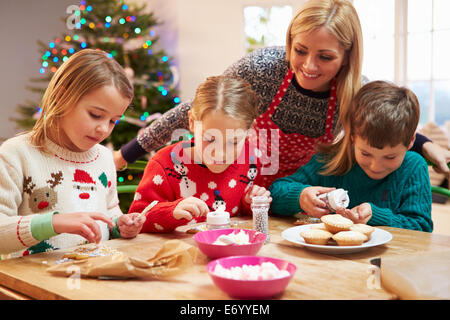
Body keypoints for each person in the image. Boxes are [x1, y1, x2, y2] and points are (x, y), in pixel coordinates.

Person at [113, 0, 449, 185]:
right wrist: (124, 154)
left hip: (303, 194)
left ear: (348, 56)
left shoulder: (353, 90)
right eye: (300, 50)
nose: (309, 66)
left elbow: (385, 121)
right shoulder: (263, 70)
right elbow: (196, 108)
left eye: (326, 57)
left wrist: (427, 145)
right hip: (245, 186)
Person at [0, 49, 145, 259]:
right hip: (34, 286)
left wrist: (118, 225)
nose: (104, 129)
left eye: (113, 120)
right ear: (62, 96)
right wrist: (54, 223)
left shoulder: (104, 158)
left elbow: (110, 211)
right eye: (96, 115)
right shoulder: (16, 155)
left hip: (89, 282)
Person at [269, 81, 433, 232]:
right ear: (353, 136)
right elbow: (274, 193)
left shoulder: (414, 166)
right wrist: (300, 196)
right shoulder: (331, 159)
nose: (375, 166)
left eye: (390, 157)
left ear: (411, 141)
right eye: (366, 153)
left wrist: (375, 216)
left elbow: (422, 227)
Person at [128, 76, 271, 233]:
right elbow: (135, 220)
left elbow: (246, 219)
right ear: (191, 122)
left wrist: (252, 203)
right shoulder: (164, 164)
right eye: (209, 139)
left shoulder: (252, 160)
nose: (219, 153)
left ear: (249, 131)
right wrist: (170, 212)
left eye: (234, 142)